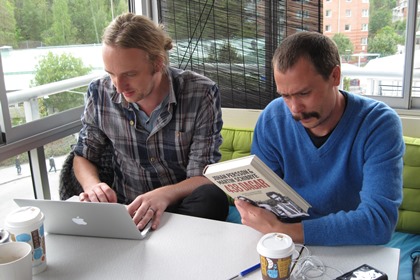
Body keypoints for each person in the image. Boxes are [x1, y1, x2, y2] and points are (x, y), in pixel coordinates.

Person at [234, 32, 405, 246]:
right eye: (285, 96)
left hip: (352, 246)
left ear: (335, 76)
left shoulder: (378, 124)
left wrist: (282, 230)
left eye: (304, 93)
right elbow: (264, 199)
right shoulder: (273, 119)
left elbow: (379, 222)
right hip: (287, 245)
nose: (295, 109)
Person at [72, 12, 228, 231]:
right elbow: (82, 156)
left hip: (179, 206)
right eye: (111, 74)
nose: (118, 86)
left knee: (212, 199)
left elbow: (203, 176)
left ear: (158, 63)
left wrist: (164, 194)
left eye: (130, 74)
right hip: (128, 207)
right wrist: (93, 186)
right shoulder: (99, 92)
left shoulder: (200, 93)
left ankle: (153, 234)